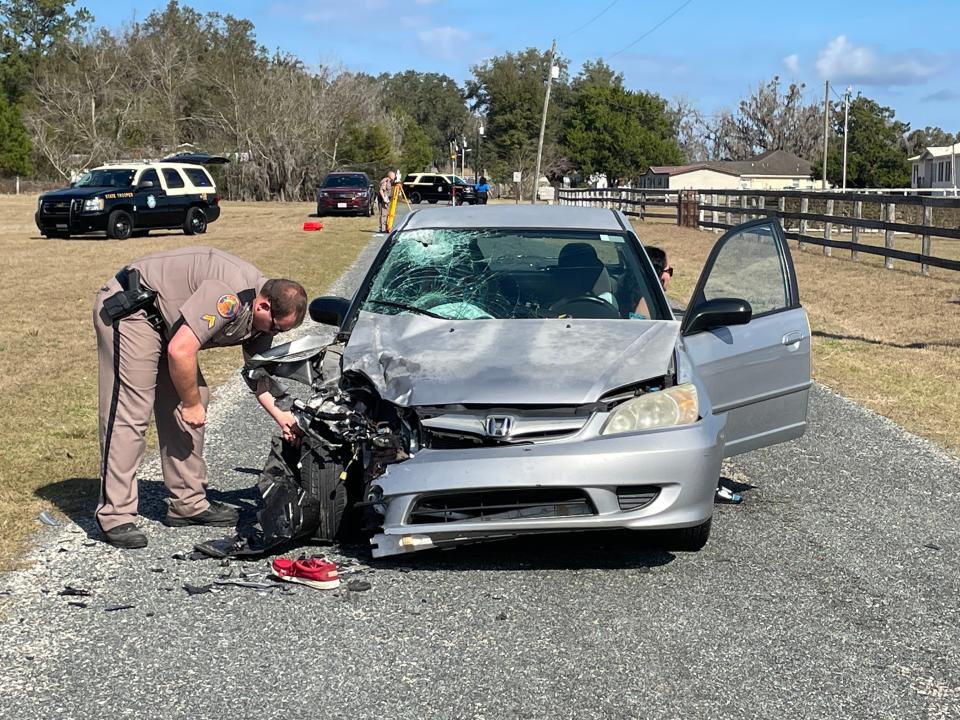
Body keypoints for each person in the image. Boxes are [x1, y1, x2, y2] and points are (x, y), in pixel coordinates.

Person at [93, 246, 308, 549]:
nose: (275, 333)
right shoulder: (229, 298)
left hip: (168, 327)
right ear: (262, 306)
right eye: (275, 327)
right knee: (132, 411)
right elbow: (180, 351)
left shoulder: (263, 311)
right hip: (133, 311)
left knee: (196, 398)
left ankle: (188, 503)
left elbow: (258, 372)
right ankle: (115, 515)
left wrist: (283, 417)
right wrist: (190, 404)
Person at [632, 246, 673, 319]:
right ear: (658, 273)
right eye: (669, 271)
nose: (670, 276)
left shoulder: (623, 292)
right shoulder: (648, 303)